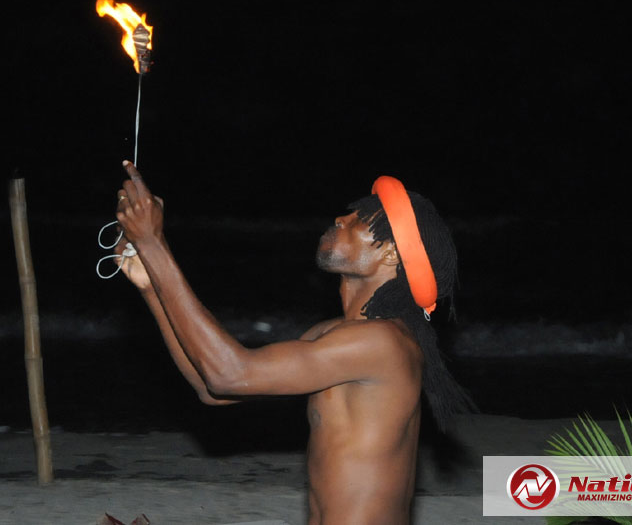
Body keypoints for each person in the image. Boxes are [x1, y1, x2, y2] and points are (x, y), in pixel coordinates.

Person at [113, 161, 471, 525]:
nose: (340, 219)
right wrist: (150, 287)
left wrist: (154, 245)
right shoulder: (331, 334)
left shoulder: (382, 342)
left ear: (392, 254)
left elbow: (230, 374)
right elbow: (214, 389)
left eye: (360, 219)